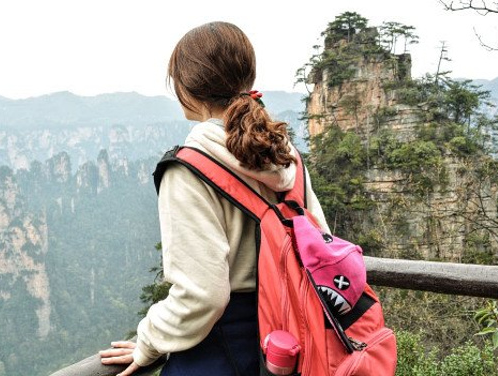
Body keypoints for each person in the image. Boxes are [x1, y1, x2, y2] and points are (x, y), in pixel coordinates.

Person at [100, 21, 329, 376]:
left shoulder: (188, 168)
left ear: (187, 89)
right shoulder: (286, 155)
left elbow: (202, 295)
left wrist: (149, 341)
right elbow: (321, 246)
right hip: (291, 344)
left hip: (222, 350)